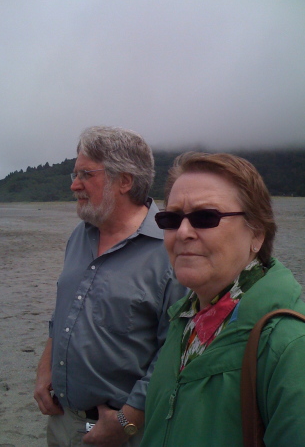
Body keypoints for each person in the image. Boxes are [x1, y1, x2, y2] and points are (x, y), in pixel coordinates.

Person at [34, 126, 186, 447]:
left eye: (85, 174)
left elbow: (175, 351)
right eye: (74, 174)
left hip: (121, 430)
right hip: (61, 419)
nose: (75, 185)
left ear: (125, 181)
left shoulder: (172, 250)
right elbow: (64, 312)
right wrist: (44, 369)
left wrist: (127, 420)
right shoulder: (80, 234)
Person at [140, 152, 305, 447]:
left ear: (257, 233)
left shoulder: (289, 346)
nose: (183, 232)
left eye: (206, 217)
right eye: (171, 218)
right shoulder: (184, 321)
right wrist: (125, 426)